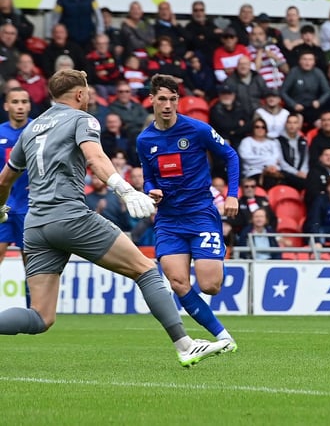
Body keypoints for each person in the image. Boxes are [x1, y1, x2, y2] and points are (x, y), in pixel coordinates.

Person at [0, 69, 229, 366]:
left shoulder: (31, 129)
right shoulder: (82, 119)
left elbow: (5, 179)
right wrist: (125, 190)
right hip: (70, 216)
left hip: (36, 224)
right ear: (80, 94)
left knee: (40, 316)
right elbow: (95, 157)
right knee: (146, 270)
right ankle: (185, 345)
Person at [137, 73, 240, 353]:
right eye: (162, 99)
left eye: (172, 99)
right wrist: (151, 189)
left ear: (178, 100)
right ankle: (224, 337)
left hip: (200, 215)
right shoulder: (145, 140)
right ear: (152, 101)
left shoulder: (197, 129)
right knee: (178, 282)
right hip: (169, 220)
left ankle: (215, 255)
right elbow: (148, 177)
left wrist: (232, 194)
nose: (167, 105)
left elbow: (230, 155)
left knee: (211, 285)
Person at [0, 87, 30, 306]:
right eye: (15, 101)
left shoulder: (38, 130)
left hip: (29, 206)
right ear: (7, 106)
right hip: (2, 204)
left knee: (30, 260)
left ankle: (35, 308)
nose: (20, 106)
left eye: (24, 101)